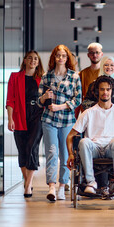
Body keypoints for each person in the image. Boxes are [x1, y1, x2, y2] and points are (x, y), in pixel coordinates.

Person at [66, 76, 114, 196]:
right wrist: (70, 154)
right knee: (83, 142)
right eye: (102, 89)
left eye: (108, 89)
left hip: (113, 148)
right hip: (93, 148)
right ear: (97, 91)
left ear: (112, 91)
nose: (105, 92)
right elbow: (70, 136)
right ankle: (91, 182)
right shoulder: (88, 113)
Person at [37, 44, 82, 202]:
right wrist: (44, 98)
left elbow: (78, 100)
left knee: (65, 154)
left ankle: (63, 186)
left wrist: (60, 106)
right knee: (51, 152)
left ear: (67, 58)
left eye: (63, 56)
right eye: (58, 56)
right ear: (54, 58)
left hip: (67, 121)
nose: (60, 58)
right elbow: (38, 100)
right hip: (48, 120)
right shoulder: (46, 76)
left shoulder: (74, 76)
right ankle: (51, 187)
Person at [6, 50, 45, 198]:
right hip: (20, 115)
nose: (33, 61)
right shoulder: (15, 77)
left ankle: (28, 185)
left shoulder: (42, 79)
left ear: (38, 62)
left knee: (32, 146)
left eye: (35, 59)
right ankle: (27, 178)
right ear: (25, 60)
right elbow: (10, 99)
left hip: (37, 114)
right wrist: (10, 119)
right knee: (22, 149)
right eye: (30, 58)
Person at [75, 42, 103, 118]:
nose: (94, 55)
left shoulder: (106, 72)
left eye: (97, 52)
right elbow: (79, 95)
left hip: (104, 111)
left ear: (101, 54)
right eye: (92, 53)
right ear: (88, 55)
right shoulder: (82, 74)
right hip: (87, 112)